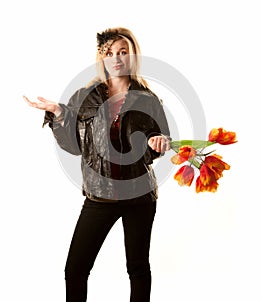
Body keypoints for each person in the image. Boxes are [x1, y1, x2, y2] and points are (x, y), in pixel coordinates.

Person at [23, 27, 171, 302]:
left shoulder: (148, 99)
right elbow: (73, 146)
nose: (117, 58)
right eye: (110, 53)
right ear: (102, 58)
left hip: (140, 195)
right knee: (76, 269)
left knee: (137, 268)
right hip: (99, 196)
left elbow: (160, 139)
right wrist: (57, 113)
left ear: (133, 56)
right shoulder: (84, 96)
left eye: (123, 52)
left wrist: (157, 142)